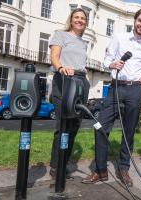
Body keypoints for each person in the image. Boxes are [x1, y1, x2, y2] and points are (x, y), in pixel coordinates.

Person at [82, 5, 141, 187]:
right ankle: (100, 171)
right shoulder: (119, 38)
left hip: (135, 91)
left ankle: (124, 169)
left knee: (128, 132)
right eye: (140, 20)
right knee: (100, 127)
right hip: (116, 87)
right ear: (135, 20)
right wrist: (112, 64)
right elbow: (107, 60)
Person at [48, 8, 90, 179]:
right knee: (62, 125)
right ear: (71, 20)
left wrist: (86, 78)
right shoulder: (60, 34)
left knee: (74, 126)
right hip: (64, 79)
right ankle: (55, 166)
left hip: (80, 82)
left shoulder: (83, 42)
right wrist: (61, 68)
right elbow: (54, 56)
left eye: (83, 18)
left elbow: (80, 63)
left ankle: (64, 164)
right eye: (76, 17)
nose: (80, 20)